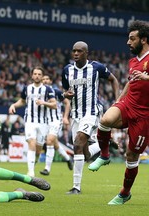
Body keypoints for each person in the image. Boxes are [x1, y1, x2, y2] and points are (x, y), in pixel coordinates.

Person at [88, 20, 149, 205]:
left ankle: (124, 193)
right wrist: (119, 99)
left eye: (132, 39)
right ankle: (105, 155)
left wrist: (147, 77)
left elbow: (143, 78)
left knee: (131, 156)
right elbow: (131, 82)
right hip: (128, 104)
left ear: (144, 40)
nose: (128, 42)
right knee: (105, 119)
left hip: (144, 115)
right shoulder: (132, 61)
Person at [62, 41, 119, 194]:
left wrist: (117, 101)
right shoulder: (67, 70)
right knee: (83, 152)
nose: (75, 54)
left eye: (79, 51)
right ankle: (103, 143)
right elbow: (65, 90)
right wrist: (65, 95)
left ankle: (76, 187)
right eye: (74, 51)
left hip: (91, 112)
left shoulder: (96, 67)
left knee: (78, 142)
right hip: (76, 114)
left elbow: (114, 80)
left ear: (86, 53)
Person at [9, 66, 56, 177]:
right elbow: (22, 101)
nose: (37, 76)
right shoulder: (27, 88)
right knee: (31, 142)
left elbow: (54, 105)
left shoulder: (47, 89)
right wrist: (14, 105)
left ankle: (33, 162)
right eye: (35, 74)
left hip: (43, 122)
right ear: (32, 75)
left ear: (42, 76)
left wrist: (44, 103)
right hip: (30, 120)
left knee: (38, 149)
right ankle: (30, 172)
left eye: (39, 74)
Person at [39, 74, 73, 176]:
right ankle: (68, 159)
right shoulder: (38, 92)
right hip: (44, 122)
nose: (45, 81)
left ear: (50, 81)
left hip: (55, 121)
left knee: (49, 141)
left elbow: (67, 103)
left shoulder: (55, 91)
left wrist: (65, 117)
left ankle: (47, 169)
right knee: (55, 144)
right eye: (43, 79)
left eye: (47, 79)